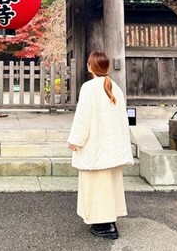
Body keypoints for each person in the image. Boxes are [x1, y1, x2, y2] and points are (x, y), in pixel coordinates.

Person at [67, 51, 133, 240]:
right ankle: (110, 220)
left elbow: (83, 118)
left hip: (95, 146)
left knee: (96, 185)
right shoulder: (116, 88)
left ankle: (104, 224)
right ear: (107, 67)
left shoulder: (89, 88)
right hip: (111, 146)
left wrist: (75, 140)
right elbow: (123, 119)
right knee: (109, 185)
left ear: (90, 67)